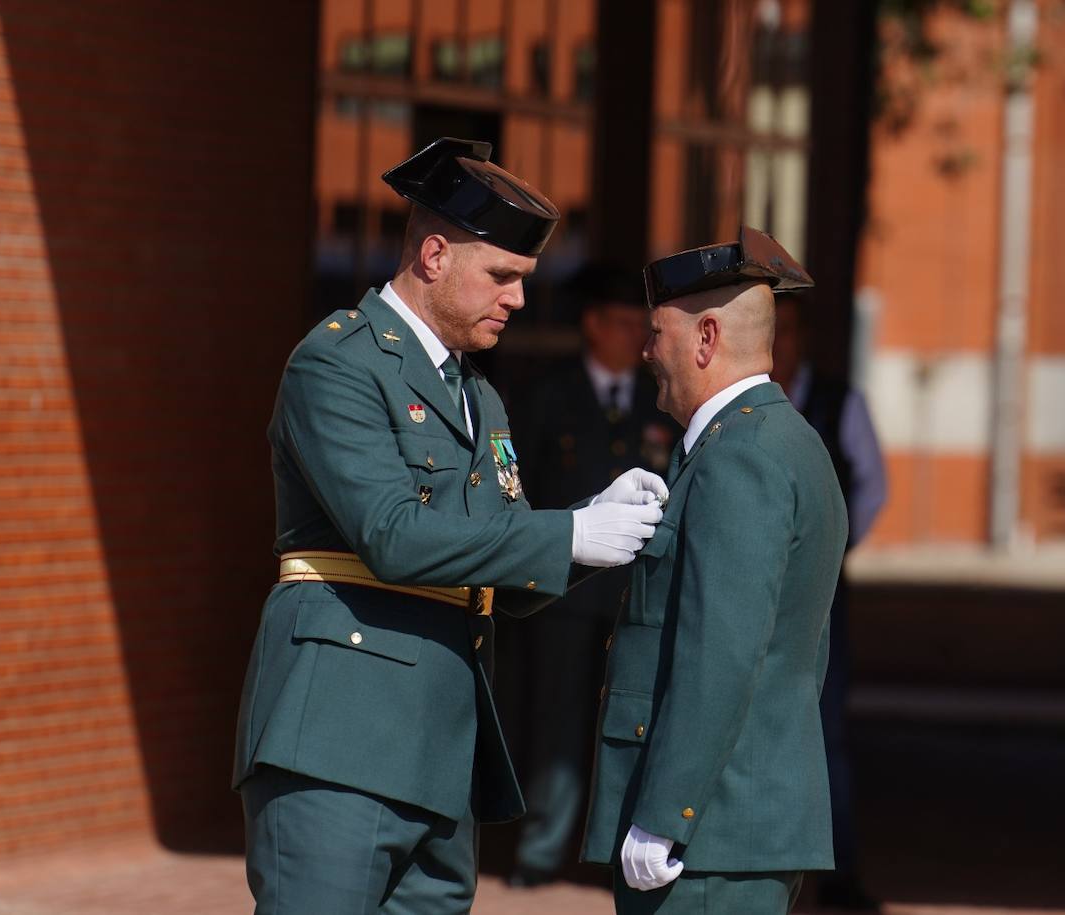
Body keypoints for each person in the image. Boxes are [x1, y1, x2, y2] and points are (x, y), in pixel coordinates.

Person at [232, 137, 667, 915]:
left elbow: (500, 569)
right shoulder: (336, 364)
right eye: (502, 276)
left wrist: (595, 532)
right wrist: (565, 533)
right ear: (433, 255)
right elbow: (392, 534)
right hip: (341, 738)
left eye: (524, 280)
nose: (519, 299)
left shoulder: (480, 396)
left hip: (441, 751)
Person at [581, 227, 849, 914]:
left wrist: (667, 810)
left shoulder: (741, 456)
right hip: (734, 822)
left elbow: (720, 651)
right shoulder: (779, 440)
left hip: (710, 834)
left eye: (657, 333)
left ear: (705, 339)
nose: (646, 351)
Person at [508, 264, 681, 887]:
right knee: (555, 721)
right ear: (592, 325)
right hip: (564, 590)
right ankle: (541, 846)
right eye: (624, 323)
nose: (636, 337)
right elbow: (516, 494)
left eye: (644, 326)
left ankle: (620, 847)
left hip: (634, 596)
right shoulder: (546, 396)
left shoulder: (660, 397)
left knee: (632, 720)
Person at [770, 295, 887, 911]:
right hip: (759, 584)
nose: (779, 344)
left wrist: (837, 547)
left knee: (827, 727)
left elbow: (873, 483)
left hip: (821, 590)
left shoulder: (840, 401)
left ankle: (837, 872)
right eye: (772, 332)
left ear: (804, 339)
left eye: (787, 332)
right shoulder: (747, 399)